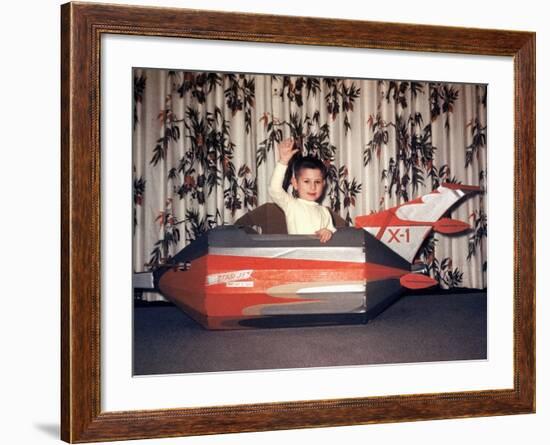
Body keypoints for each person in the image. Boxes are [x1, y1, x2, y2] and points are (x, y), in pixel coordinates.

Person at [268, 138, 336, 243]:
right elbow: (274, 190)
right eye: (306, 181)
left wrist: (328, 232)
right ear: (295, 183)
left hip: (320, 256)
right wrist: (283, 161)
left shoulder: (325, 211)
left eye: (317, 182)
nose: (312, 187)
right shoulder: (291, 204)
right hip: (298, 256)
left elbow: (333, 235)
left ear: (323, 184)